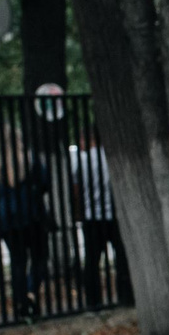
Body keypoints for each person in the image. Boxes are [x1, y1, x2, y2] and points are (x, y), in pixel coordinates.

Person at [0, 128, 53, 323]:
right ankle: (31, 292)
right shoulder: (30, 160)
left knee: (18, 262)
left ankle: (21, 304)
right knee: (40, 258)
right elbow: (45, 183)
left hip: (8, 221)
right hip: (32, 217)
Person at [66, 130, 129, 309]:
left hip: (92, 216)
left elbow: (76, 188)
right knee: (121, 257)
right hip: (114, 216)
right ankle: (126, 295)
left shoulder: (83, 160)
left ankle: (93, 301)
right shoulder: (112, 157)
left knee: (92, 261)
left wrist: (79, 211)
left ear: (88, 138)